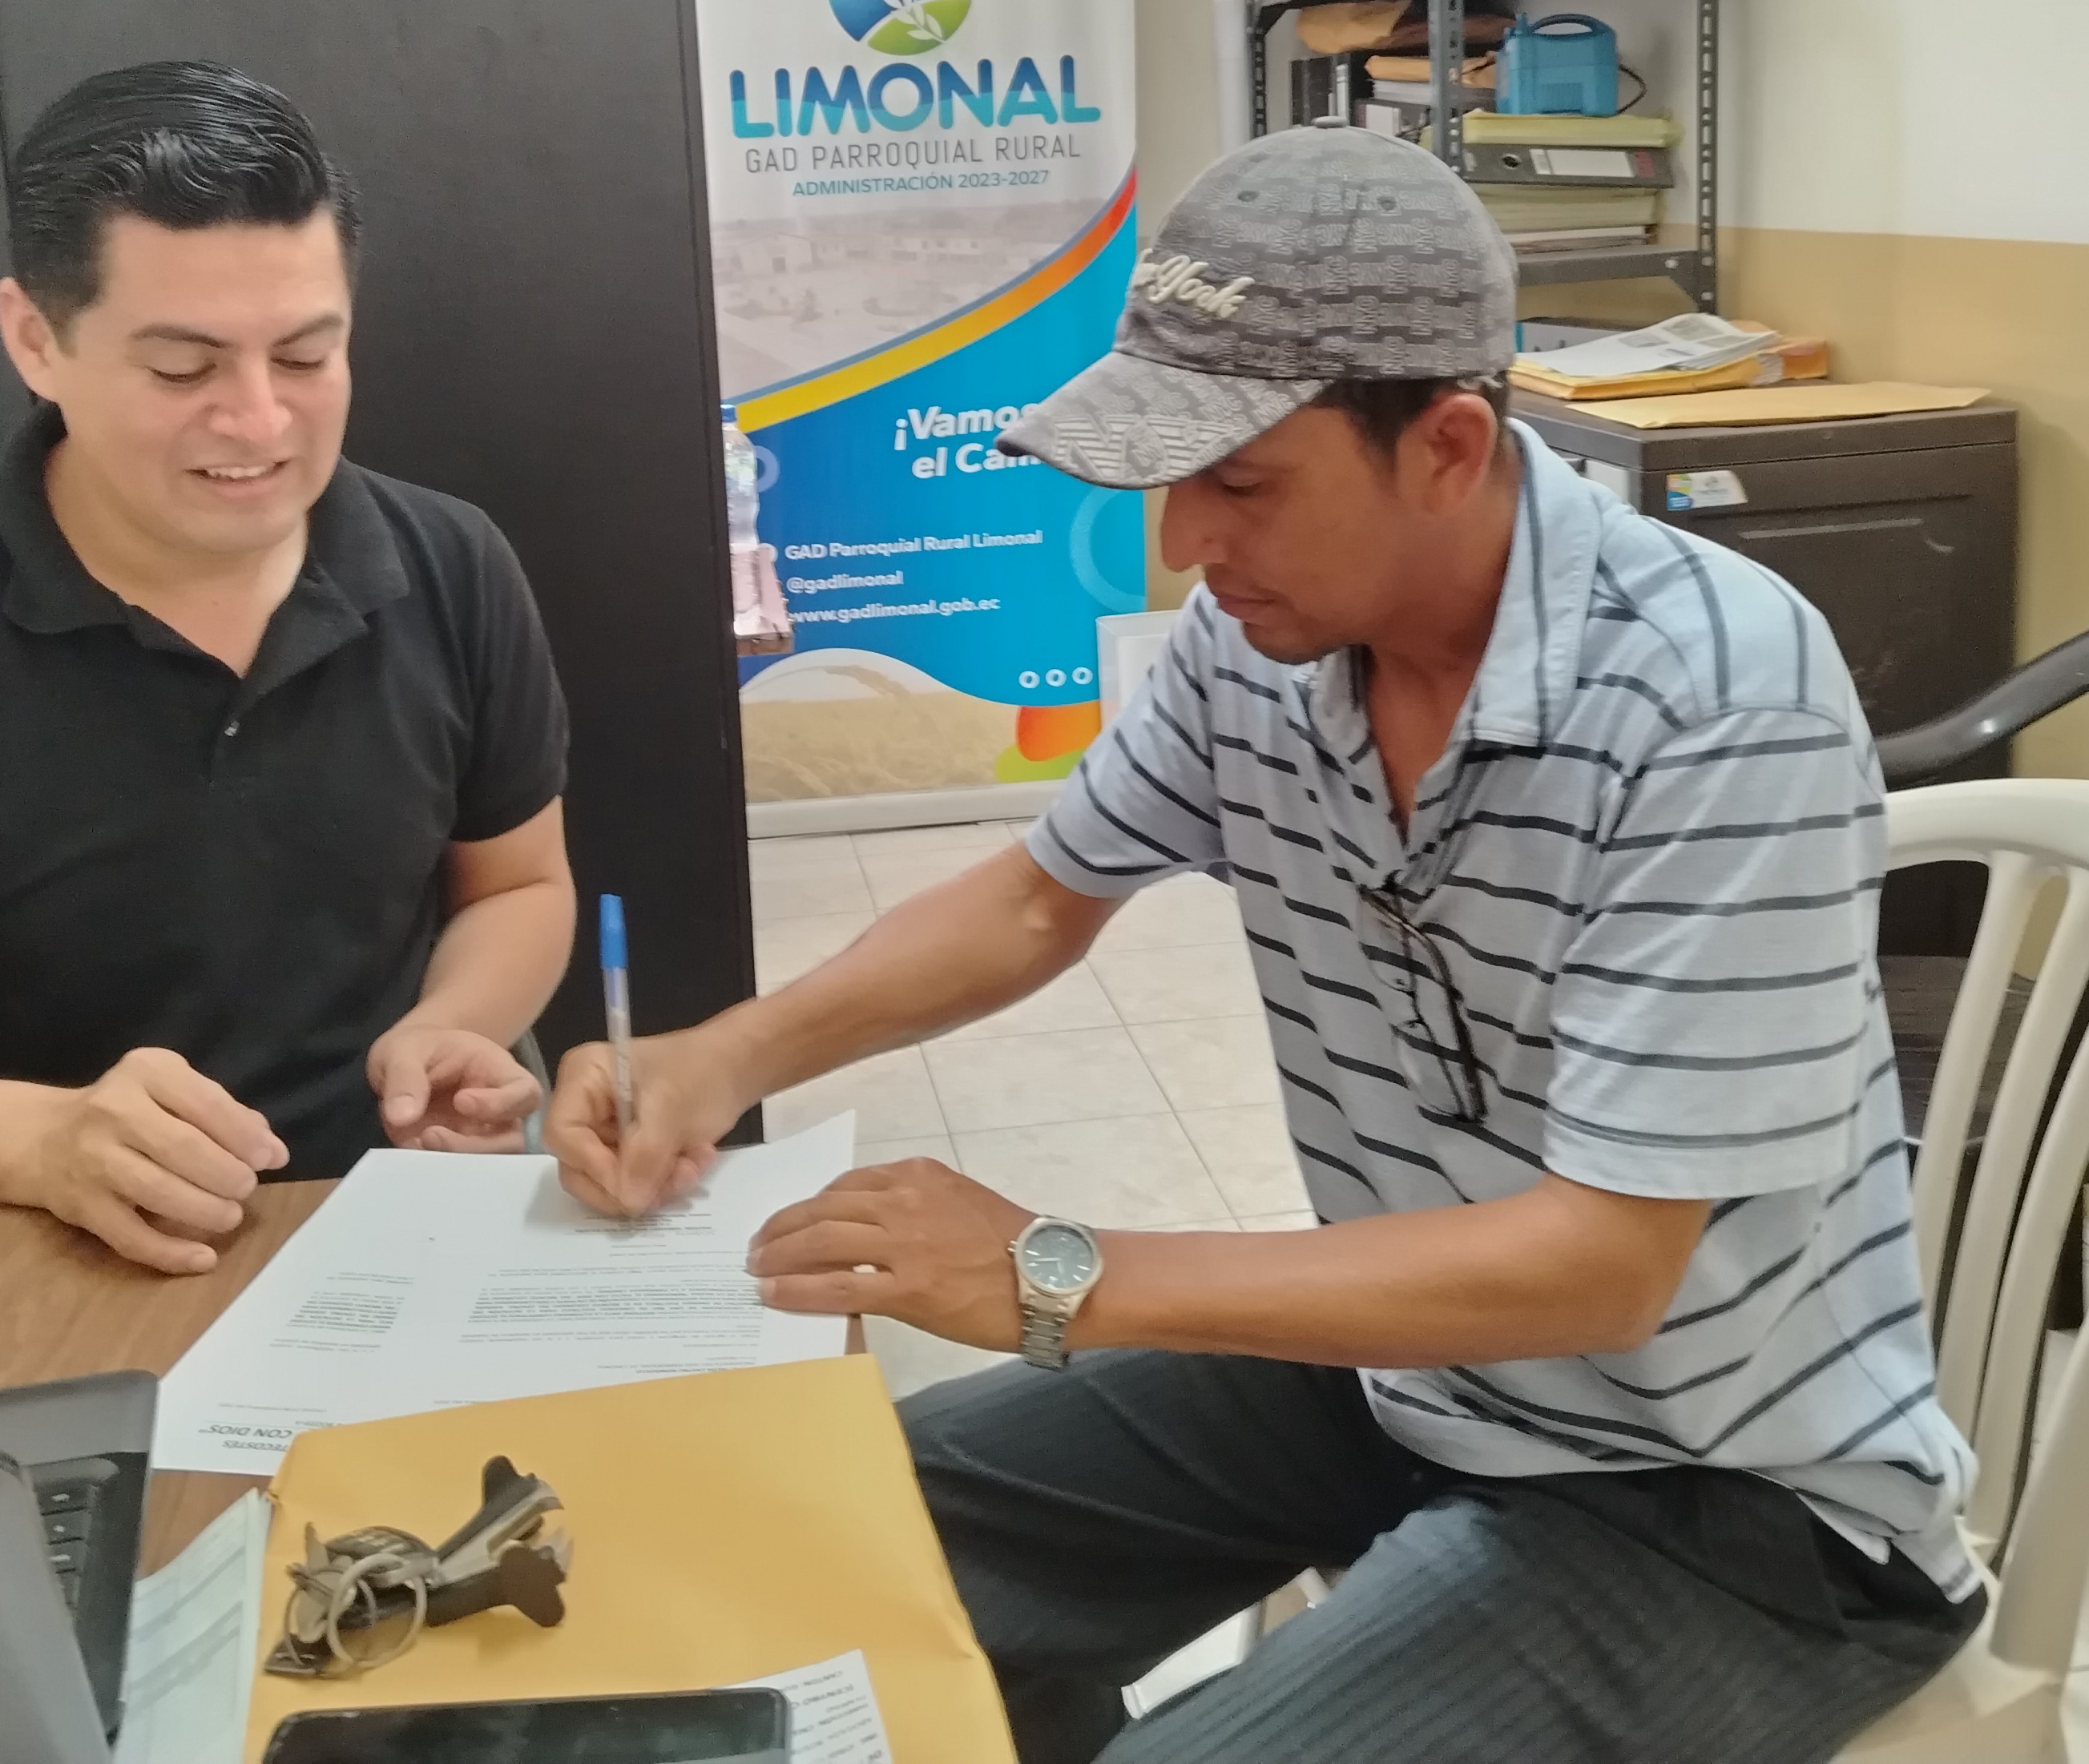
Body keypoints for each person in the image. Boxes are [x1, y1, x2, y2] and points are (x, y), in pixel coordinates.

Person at [547, 128, 1982, 1762]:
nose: (1182, 542)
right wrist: (723, 1055)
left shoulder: (1714, 695)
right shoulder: (1258, 650)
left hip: (1716, 1498)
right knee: (836, 1548)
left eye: (1240, 484)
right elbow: (1039, 897)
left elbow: (1605, 1264)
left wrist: (1057, 1273)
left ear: (1445, 447)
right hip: (1404, 1382)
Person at [0, 61, 575, 1275]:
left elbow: (517, 887)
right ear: (36, 339)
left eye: (305, 357)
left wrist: (450, 1027)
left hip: (363, 1230)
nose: (258, 422)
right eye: (183, 368)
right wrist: (38, 1143)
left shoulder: (452, 565)